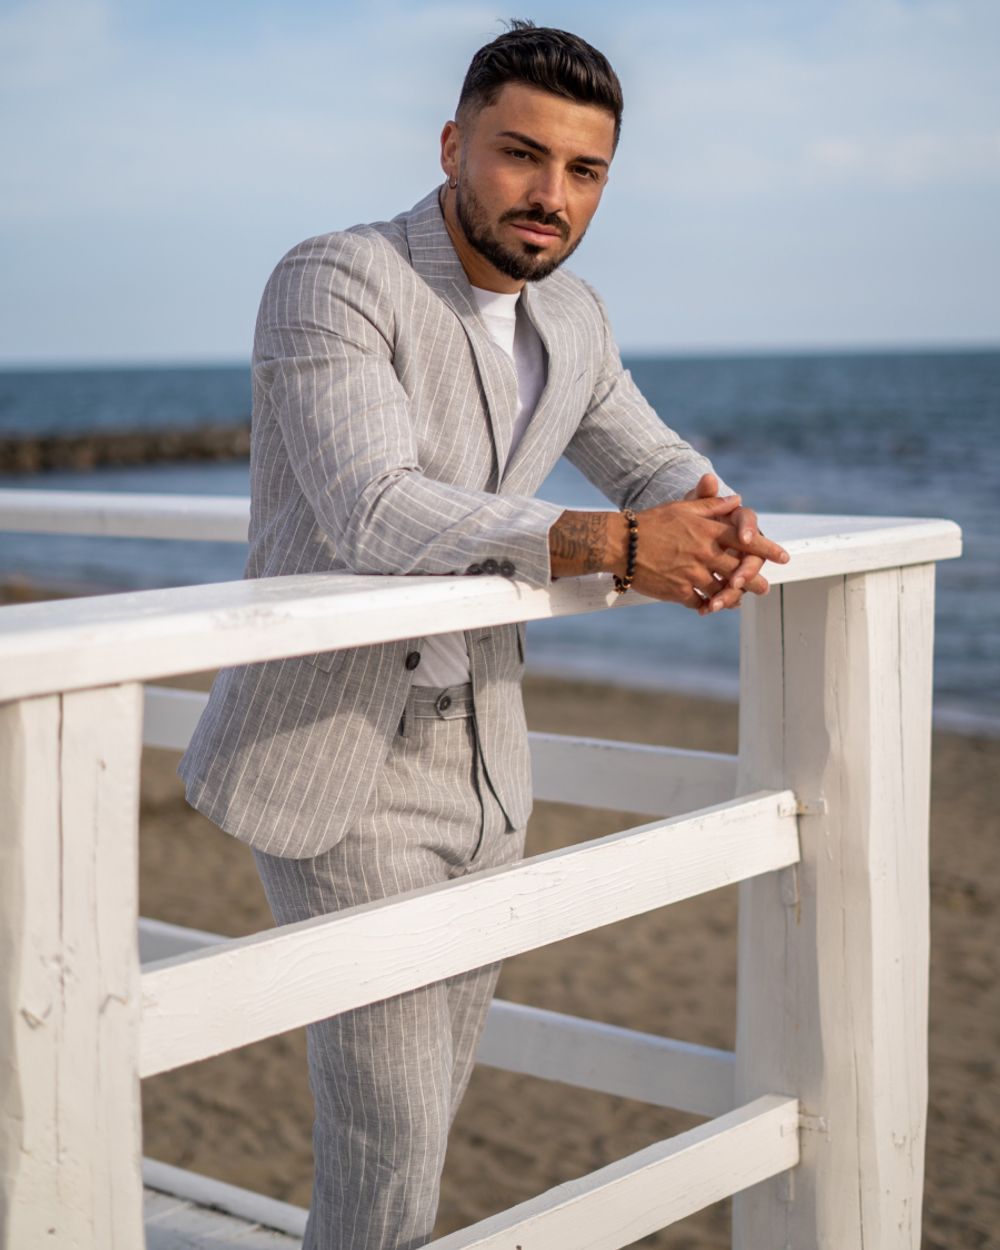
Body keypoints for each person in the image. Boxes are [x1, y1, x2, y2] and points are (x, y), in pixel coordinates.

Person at [179, 20, 789, 1250]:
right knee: (387, 1137)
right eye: (521, 156)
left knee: (425, 1113)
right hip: (337, 750)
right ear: (455, 144)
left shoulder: (574, 318)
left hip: (491, 758)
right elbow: (372, 507)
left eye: (584, 172)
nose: (549, 195)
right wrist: (618, 547)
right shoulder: (337, 277)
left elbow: (646, 451)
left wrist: (712, 517)